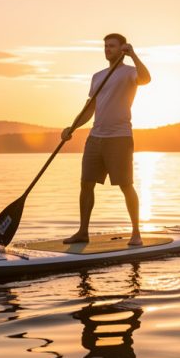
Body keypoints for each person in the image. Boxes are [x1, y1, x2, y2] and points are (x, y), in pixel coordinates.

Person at [61, 33, 151, 246]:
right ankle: (83, 232)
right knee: (86, 184)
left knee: (126, 185)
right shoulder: (97, 76)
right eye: (106, 46)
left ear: (122, 49)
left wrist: (134, 55)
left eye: (112, 46)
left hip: (119, 138)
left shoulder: (130, 73)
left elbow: (146, 79)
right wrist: (71, 128)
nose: (107, 49)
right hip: (95, 138)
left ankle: (136, 233)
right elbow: (90, 108)